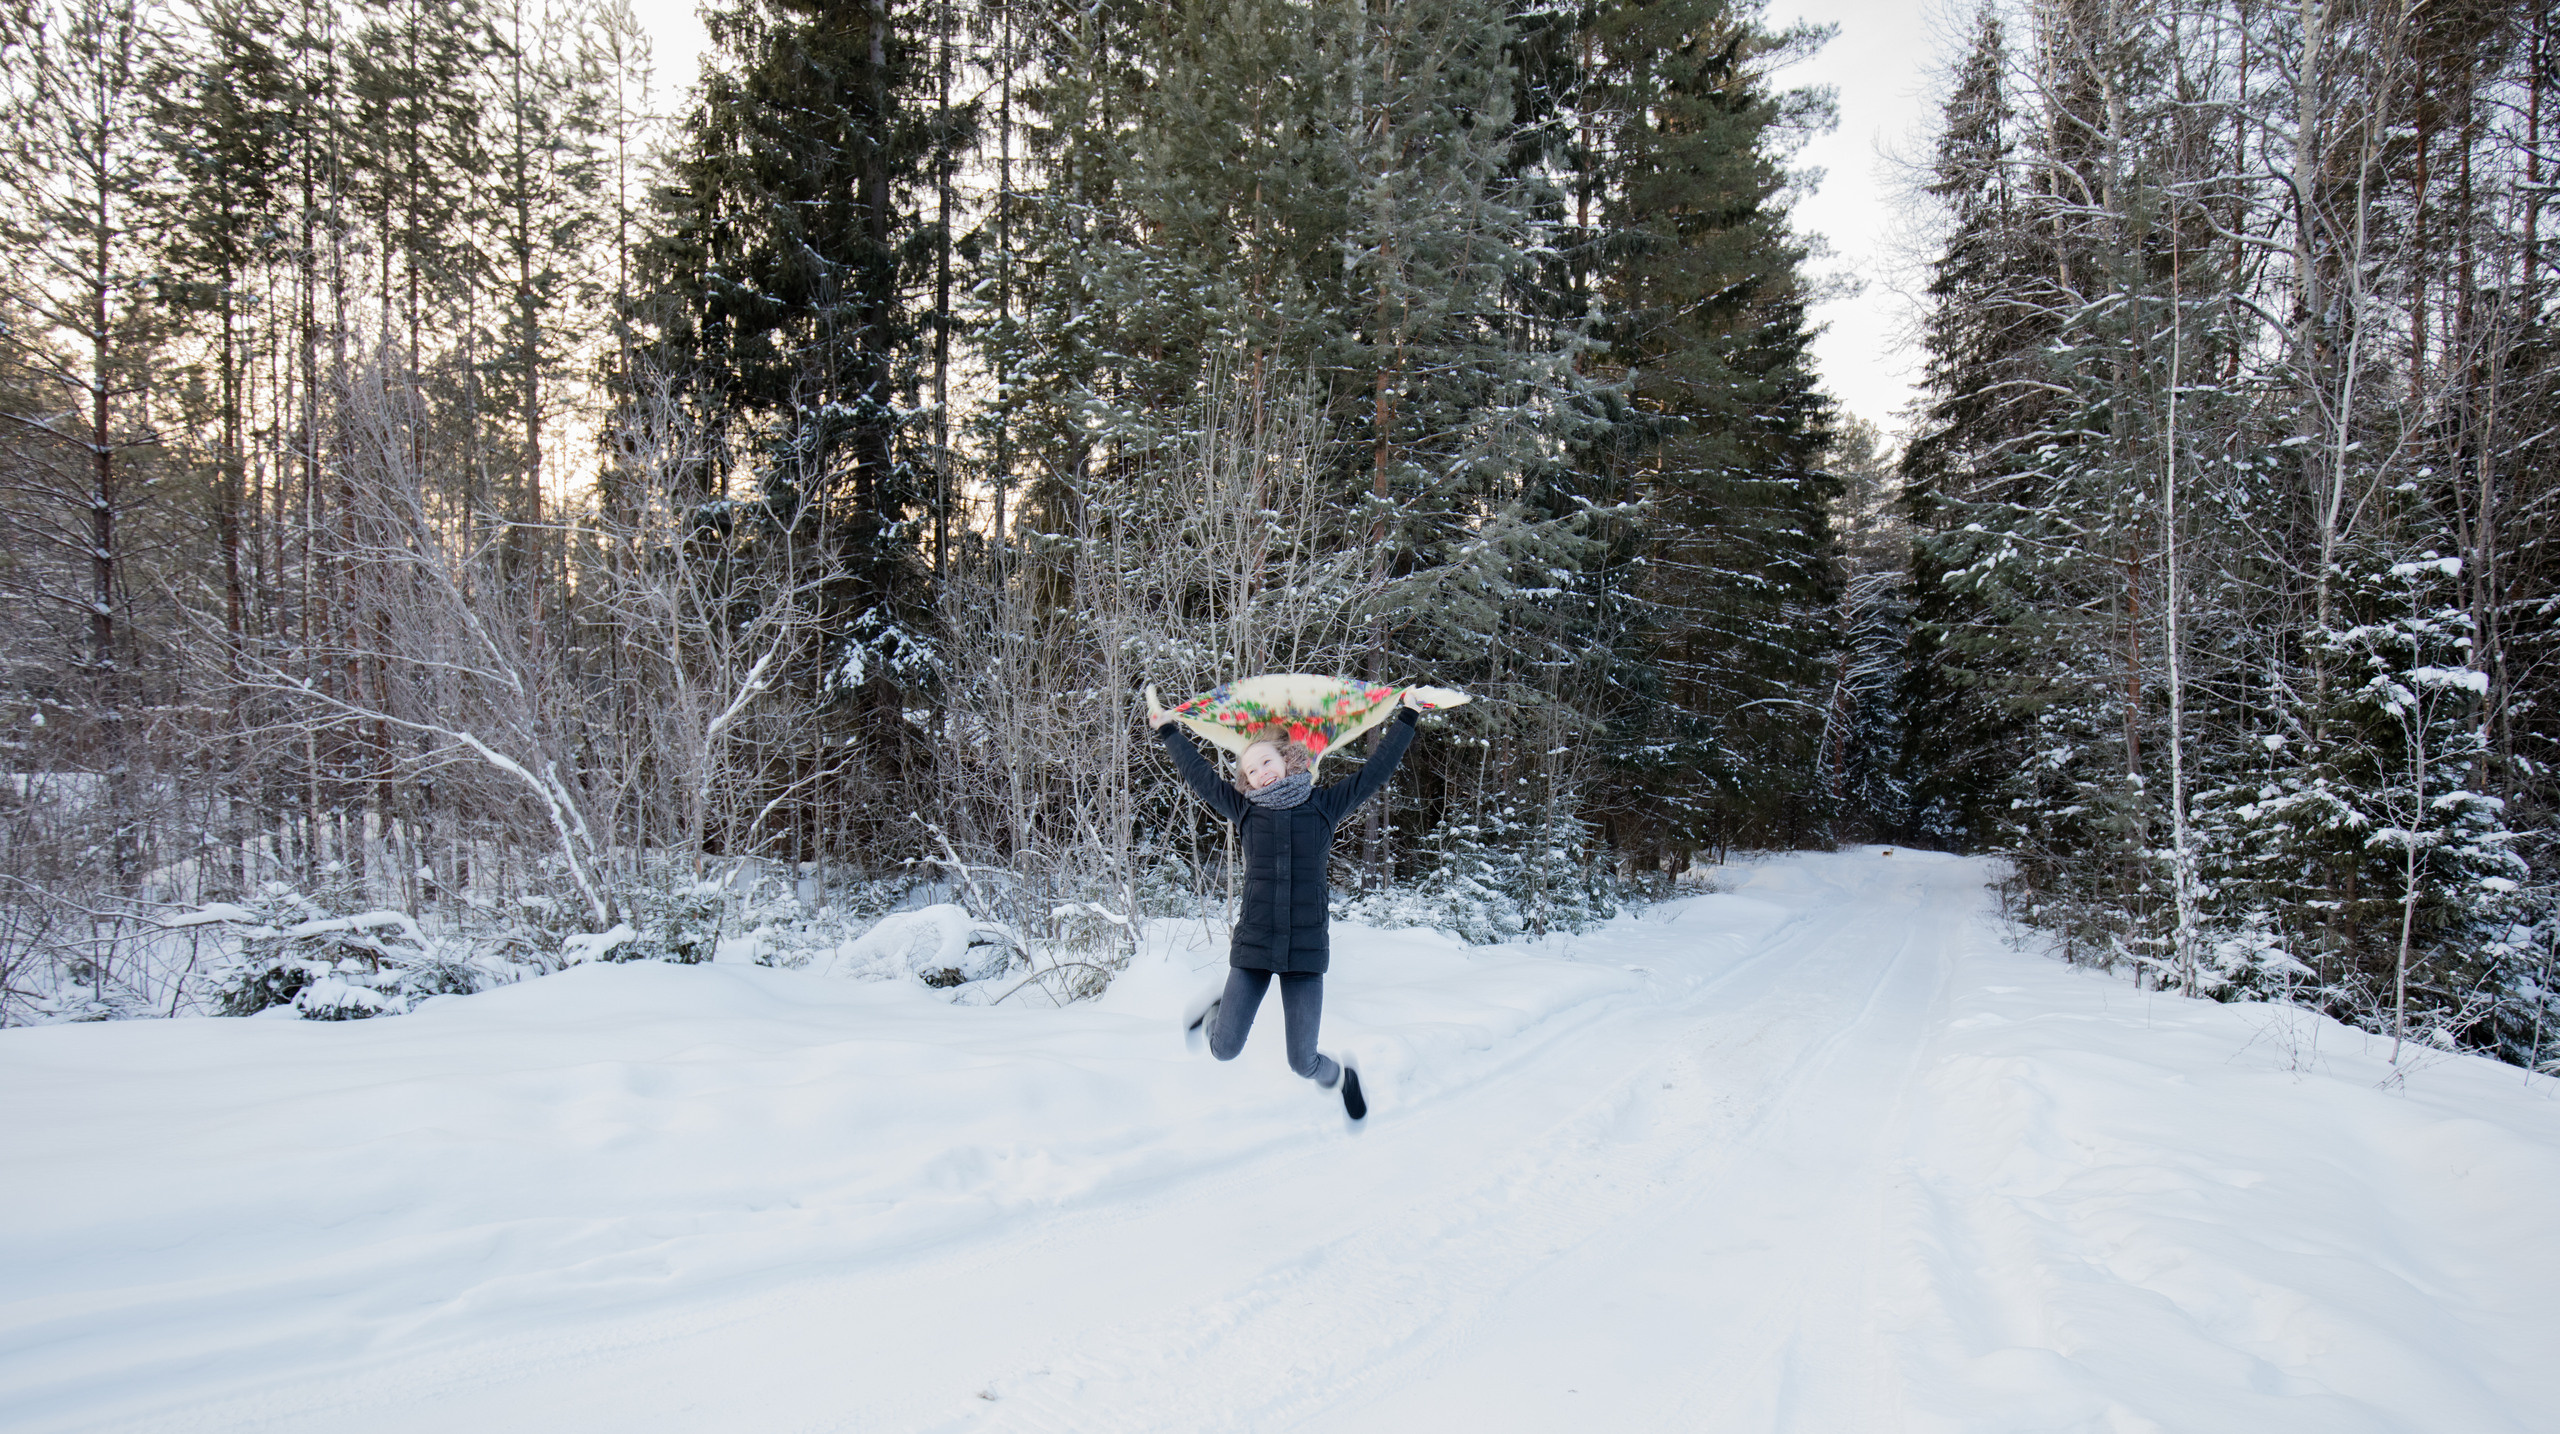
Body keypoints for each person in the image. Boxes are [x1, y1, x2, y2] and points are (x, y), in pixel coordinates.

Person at [1148, 689, 1428, 1122]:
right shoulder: (1244, 811)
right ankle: (1216, 1015)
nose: (1261, 773)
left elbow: (1375, 772)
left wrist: (1407, 714)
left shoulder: (1324, 807)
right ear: (1245, 780)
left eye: (1266, 762)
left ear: (1287, 760)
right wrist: (1167, 729)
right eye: (1251, 769)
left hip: (1305, 953)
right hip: (1255, 947)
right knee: (1223, 1050)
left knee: (1303, 1062)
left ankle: (1342, 1078)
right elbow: (1200, 776)